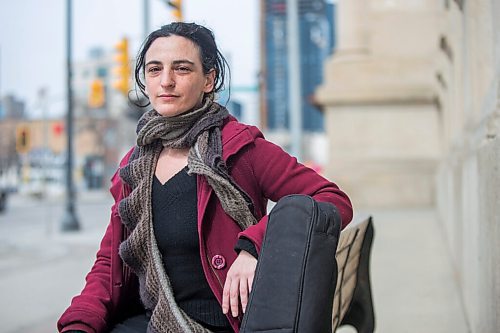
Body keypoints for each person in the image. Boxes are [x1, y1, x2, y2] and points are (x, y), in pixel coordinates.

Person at [58, 22, 353, 333]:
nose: (166, 81)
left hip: (226, 324)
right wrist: (80, 323)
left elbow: (331, 199)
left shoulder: (241, 150)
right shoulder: (133, 168)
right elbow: (109, 264)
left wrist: (255, 246)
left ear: (208, 80)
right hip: (152, 320)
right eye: (155, 69)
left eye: (182, 69)